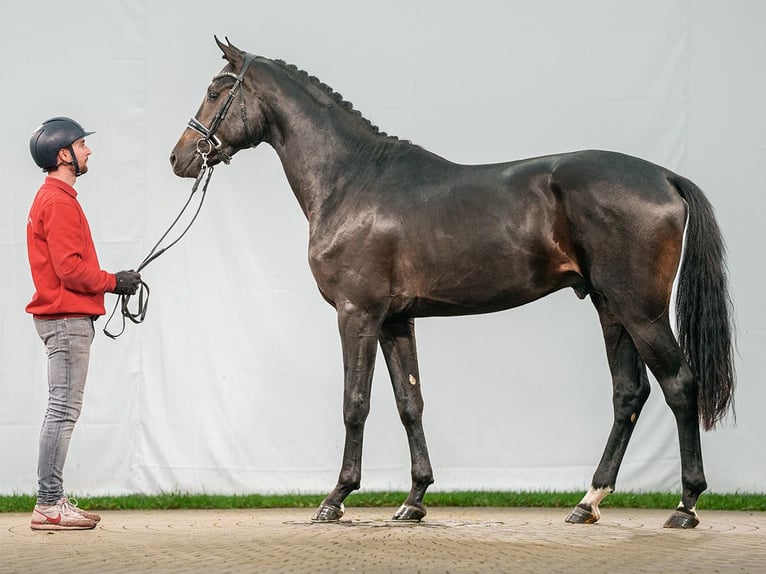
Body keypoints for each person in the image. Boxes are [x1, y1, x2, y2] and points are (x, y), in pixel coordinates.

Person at [26, 117, 141, 530]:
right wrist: (114, 283)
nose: (88, 150)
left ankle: (51, 500)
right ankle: (49, 503)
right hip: (67, 318)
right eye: (81, 145)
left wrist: (111, 282)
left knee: (62, 409)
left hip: (66, 316)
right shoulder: (57, 202)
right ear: (64, 155)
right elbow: (70, 269)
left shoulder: (58, 198)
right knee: (62, 410)